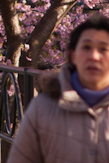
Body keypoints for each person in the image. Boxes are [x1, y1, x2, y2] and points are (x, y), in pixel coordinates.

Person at [8, 14, 109, 162]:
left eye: (103, 49)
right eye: (86, 47)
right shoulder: (42, 108)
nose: (94, 56)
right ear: (73, 55)